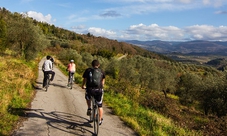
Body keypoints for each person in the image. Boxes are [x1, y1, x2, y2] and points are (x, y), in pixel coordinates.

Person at [82, 60, 105, 125]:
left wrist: (83, 85)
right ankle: (100, 120)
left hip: (90, 89)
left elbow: (85, 79)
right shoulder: (102, 71)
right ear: (99, 65)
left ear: (92, 65)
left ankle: (89, 108)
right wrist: (102, 87)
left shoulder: (88, 70)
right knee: (100, 106)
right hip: (99, 90)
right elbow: (103, 81)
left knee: (87, 97)